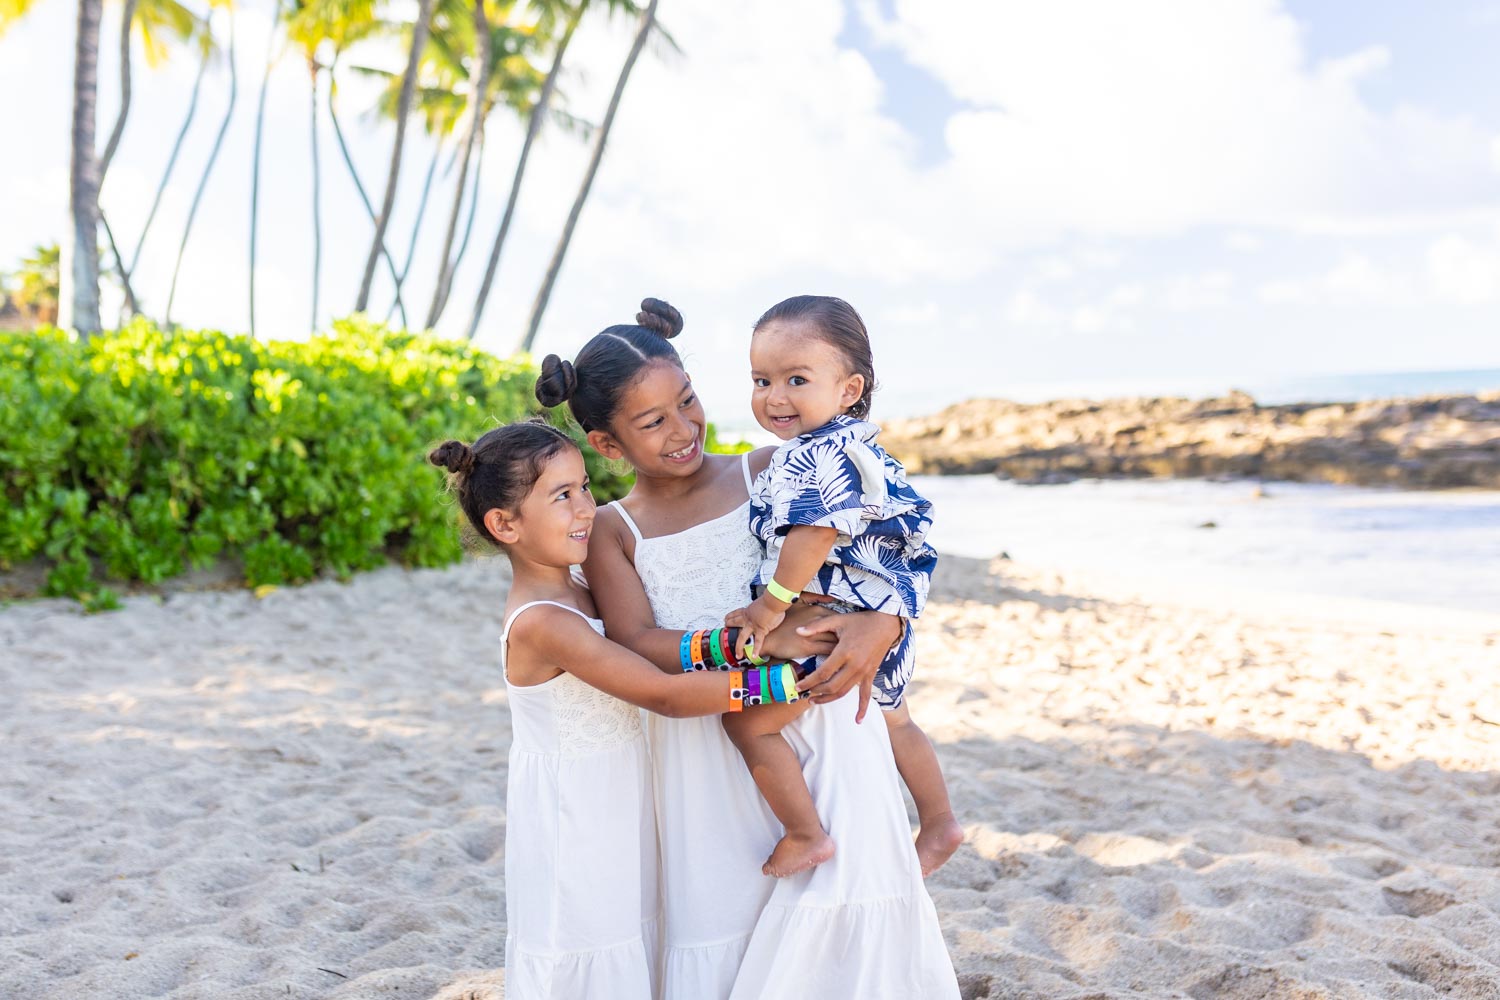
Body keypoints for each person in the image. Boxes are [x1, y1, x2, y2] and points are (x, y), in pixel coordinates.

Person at [537, 299, 960, 999]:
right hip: (708, 749)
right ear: (608, 445)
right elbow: (639, 642)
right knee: (726, 923)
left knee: (846, 914)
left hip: (827, 722)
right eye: (652, 422)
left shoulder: (771, 467)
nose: (683, 429)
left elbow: (882, 545)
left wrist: (885, 622)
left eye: (688, 400)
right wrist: (747, 644)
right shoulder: (615, 529)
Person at [427, 420, 806, 1000]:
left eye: (584, 487)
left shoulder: (579, 586)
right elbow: (664, 693)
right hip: (575, 812)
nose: (586, 508)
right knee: (583, 946)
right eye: (561, 496)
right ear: (504, 525)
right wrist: (783, 681)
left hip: (621, 793)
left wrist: (742, 641)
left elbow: (647, 639)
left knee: (631, 938)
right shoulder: (544, 622)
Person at [723, 295, 962, 879]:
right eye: (761, 380)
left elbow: (815, 534)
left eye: (796, 379)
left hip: (844, 616)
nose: (774, 396)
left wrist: (771, 604)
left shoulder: (823, 452)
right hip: (870, 609)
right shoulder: (841, 446)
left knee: (748, 722)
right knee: (896, 719)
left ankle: (806, 834)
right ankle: (939, 822)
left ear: (849, 389)